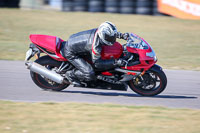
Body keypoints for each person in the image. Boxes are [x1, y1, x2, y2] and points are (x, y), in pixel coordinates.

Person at [62, 21, 129, 86]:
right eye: (110, 38)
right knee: (89, 73)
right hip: (71, 53)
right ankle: (70, 75)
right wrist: (116, 62)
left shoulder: (100, 31)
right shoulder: (95, 47)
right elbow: (98, 64)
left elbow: (109, 34)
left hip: (76, 44)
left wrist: (122, 36)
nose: (112, 39)